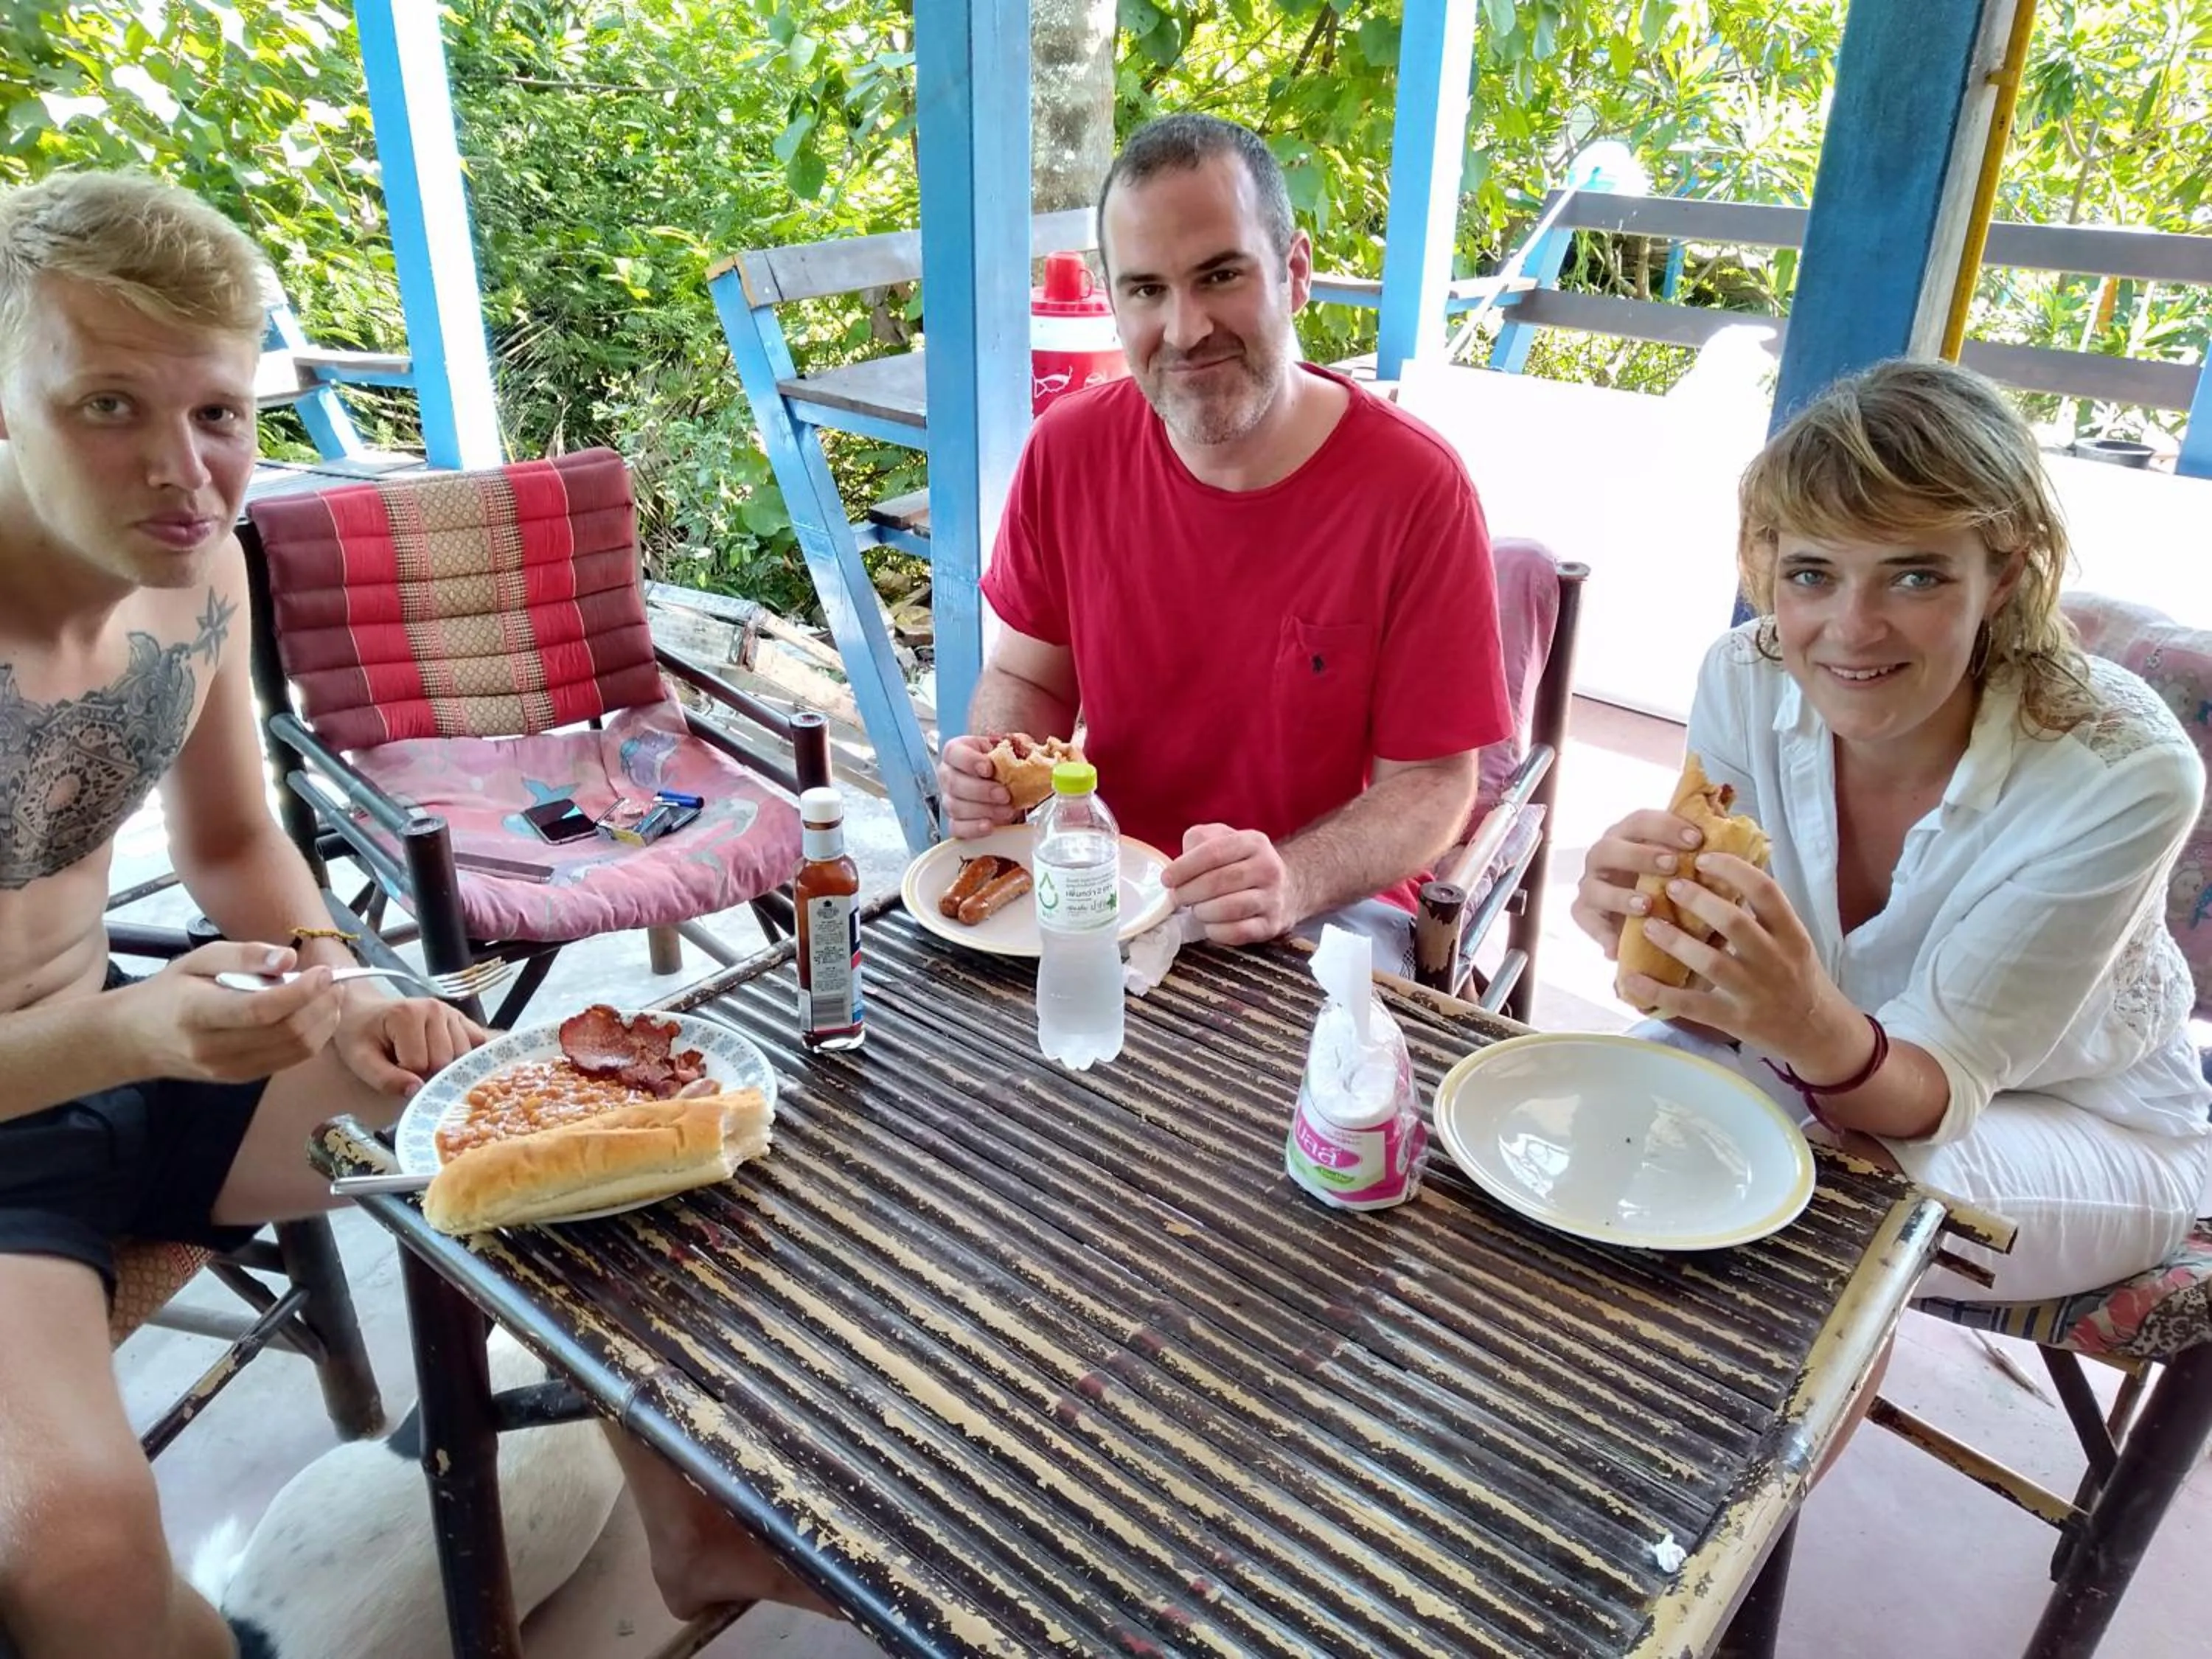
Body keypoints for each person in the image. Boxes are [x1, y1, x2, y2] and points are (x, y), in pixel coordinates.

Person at [0, 173, 487, 1658]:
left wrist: (345, 981)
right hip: (19, 1157)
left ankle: (635, 1516)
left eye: (217, 412)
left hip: (158, 1073)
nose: (183, 471)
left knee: (472, 1137)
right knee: (73, 1544)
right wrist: (132, 1027)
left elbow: (229, 841)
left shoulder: (200, 570)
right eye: (107, 407)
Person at [1572, 358, 2211, 1304]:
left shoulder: (2119, 774)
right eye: (1811, 575)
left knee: (1821, 1225)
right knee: (1610, 1118)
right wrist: (1648, 930)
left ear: (2004, 574)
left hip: (2079, 1120)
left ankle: (1741, 1453)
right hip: (1815, 1057)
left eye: (1913, 575)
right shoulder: (1744, 679)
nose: (1851, 629)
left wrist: (1797, 1021)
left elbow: (1932, 1089)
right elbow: (1696, 1000)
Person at [935, 113, 1514, 967]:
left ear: (1296, 272)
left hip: (1323, 919)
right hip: (1112, 881)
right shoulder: (1069, 447)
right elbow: (1026, 673)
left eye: (1220, 275)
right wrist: (995, 767)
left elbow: (1433, 783)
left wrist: (1294, 875)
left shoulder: (1415, 489)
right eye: (1146, 290)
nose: (1185, 328)